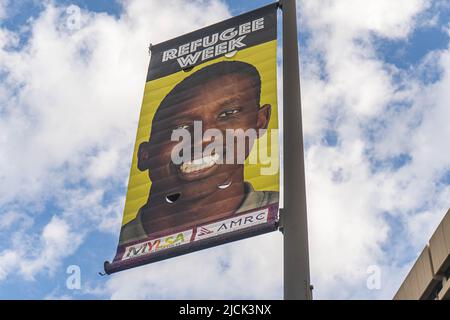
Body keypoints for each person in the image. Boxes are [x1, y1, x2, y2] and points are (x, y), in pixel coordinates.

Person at [120, 61, 278, 245]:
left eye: (228, 114)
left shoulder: (284, 212)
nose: (203, 137)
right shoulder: (124, 243)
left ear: (260, 121)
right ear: (145, 155)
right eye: (180, 128)